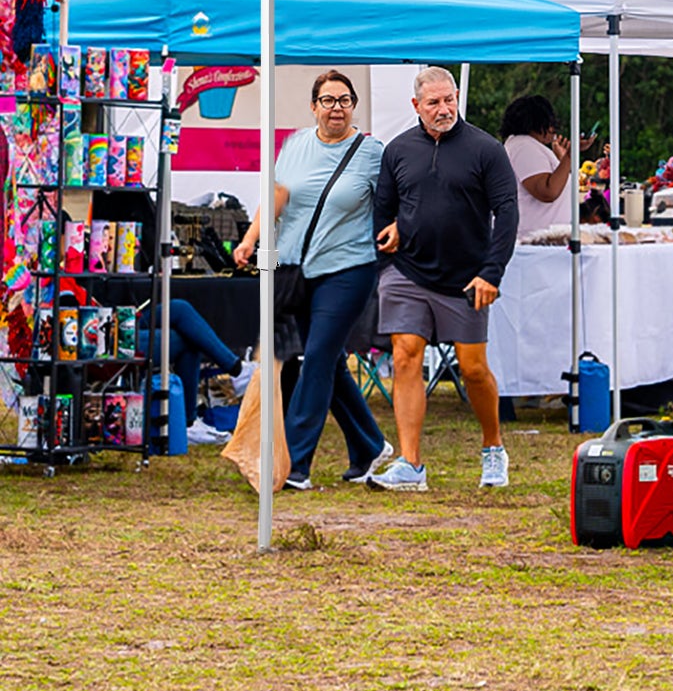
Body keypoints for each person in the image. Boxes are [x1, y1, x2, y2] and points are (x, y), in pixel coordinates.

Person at [234, 70, 392, 489]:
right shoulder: (297, 144)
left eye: (343, 100)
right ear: (313, 106)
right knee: (327, 363)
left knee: (319, 355)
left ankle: (296, 465)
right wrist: (251, 241)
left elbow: (393, 203)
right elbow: (278, 197)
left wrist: (395, 230)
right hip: (296, 268)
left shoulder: (372, 152)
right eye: (328, 100)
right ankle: (370, 446)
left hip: (348, 269)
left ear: (353, 105)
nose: (336, 107)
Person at [368, 66, 519, 492]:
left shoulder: (486, 149)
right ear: (416, 106)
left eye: (449, 99)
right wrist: (389, 242)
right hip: (408, 272)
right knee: (405, 355)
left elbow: (507, 213)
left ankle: (493, 448)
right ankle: (410, 464)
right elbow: (383, 209)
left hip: (467, 278)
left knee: (473, 369)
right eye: (433, 102)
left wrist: (492, 272)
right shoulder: (397, 150)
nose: (443, 109)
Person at [134, 298, 250, 445]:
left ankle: (236, 368)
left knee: (180, 309)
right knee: (189, 338)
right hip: (106, 334)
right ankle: (187, 422)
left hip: (119, 319)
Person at [501, 94, 589, 239]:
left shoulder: (527, 146)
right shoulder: (523, 147)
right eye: (549, 123)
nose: (553, 129)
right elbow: (548, 192)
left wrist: (563, 160)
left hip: (546, 239)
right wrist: (569, 155)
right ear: (535, 123)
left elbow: (558, 183)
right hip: (536, 240)